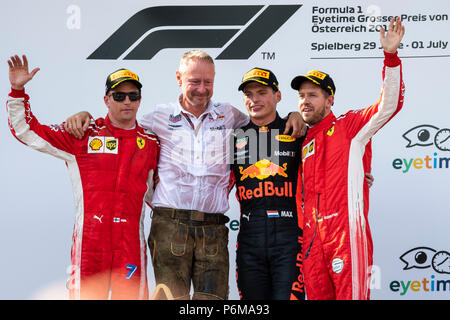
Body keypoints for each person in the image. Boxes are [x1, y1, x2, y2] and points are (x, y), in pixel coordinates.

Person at [63, 50, 306, 300]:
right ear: (179, 78)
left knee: (212, 303)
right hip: (169, 225)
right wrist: (86, 116)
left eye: (207, 82)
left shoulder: (231, 115)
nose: (201, 89)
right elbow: (122, 124)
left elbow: (263, 121)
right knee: (173, 300)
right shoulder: (158, 117)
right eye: (194, 81)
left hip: (213, 227)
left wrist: (293, 116)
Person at [6, 55, 159, 299]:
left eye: (133, 96)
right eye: (119, 96)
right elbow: (27, 130)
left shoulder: (151, 143)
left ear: (140, 100)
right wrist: (17, 91)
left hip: (129, 245)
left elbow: (161, 194)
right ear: (106, 100)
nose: (127, 101)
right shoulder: (83, 134)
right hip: (90, 244)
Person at [290, 17, 405, 300]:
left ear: (329, 100)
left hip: (345, 235)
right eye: (302, 96)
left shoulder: (349, 126)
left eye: (313, 95)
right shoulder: (299, 138)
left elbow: (389, 105)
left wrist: (390, 57)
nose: (305, 100)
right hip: (311, 241)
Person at [231, 67, 305, 300]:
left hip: (289, 235)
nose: (255, 99)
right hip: (250, 236)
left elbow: (327, 166)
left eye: (262, 92)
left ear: (278, 96)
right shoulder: (233, 136)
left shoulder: (297, 131)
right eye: (249, 94)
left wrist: (355, 175)